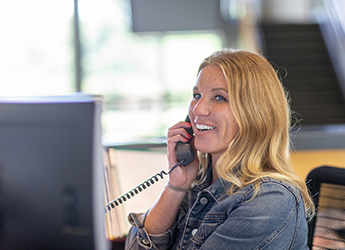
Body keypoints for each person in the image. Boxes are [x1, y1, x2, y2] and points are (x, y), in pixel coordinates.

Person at [124, 48, 315, 249]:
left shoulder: (270, 200)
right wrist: (176, 186)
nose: (197, 110)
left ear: (254, 113)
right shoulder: (199, 184)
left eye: (219, 98)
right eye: (197, 95)